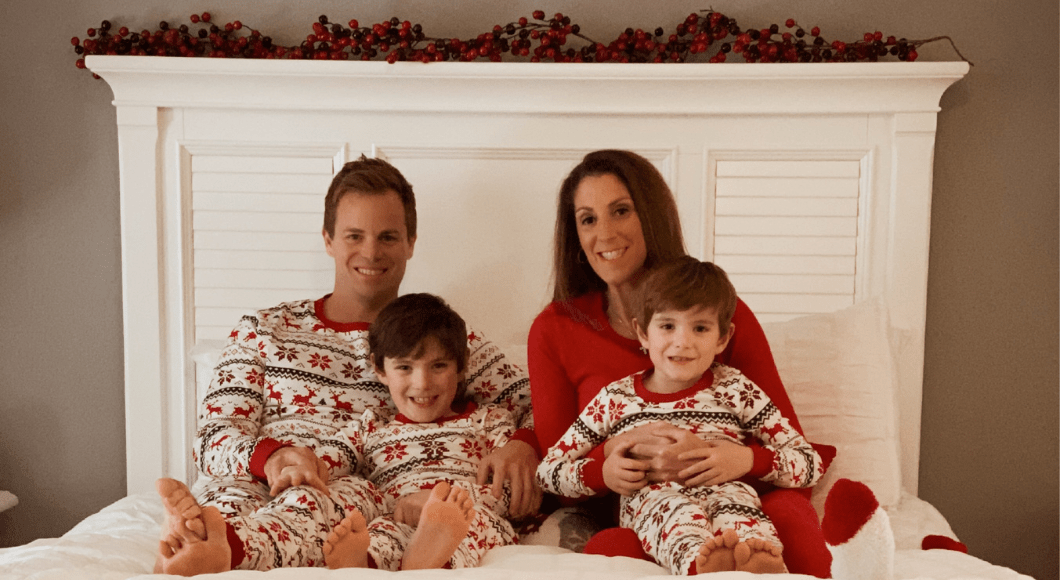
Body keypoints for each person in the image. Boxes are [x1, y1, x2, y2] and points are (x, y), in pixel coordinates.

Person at [154, 155, 539, 575]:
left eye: (388, 237)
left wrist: (521, 443)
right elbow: (213, 436)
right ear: (328, 239)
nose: (371, 252)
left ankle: (219, 548)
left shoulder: (442, 338)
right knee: (243, 509)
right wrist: (273, 457)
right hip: (255, 486)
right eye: (354, 235)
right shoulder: (264, 330)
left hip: (362, 502)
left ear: (411, 242)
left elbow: (538, 406)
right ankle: (208, 543)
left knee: (343, 505)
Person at [528, 149, 833, 577]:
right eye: (588, 219)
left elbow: (794, 449)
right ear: (642, 334)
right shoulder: (557, 331)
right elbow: (556, 474)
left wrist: (735, 458)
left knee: (790, 517)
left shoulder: (720, 316)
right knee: (611, 549)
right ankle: (705, 565)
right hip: (641, 505)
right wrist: (619, 455)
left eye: (621, 211)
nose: (605, 234)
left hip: (739, 491)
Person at [537, 258, 824, 575]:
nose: (682, 341)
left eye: (700, 327)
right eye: (667, 326)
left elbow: (809, 463)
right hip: (656, 503)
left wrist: (746, 459)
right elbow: (549, 471)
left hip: (729, 494)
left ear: (722, 338)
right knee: (675, 510)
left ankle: (756, 566)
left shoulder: (738, 390)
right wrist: (602, 474)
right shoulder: (614, 399)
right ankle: (699, 567)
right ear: (643, 333)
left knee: (743, 522)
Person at [323, 293, 519, 570]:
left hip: (465, 517)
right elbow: (326, 461)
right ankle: (362, 564)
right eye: (404, 367)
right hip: (399, 518)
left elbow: (510, 492)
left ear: (462, 364)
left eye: (438, 366)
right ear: (379, 368)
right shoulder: (373, 425)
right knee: (381, 532)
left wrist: (443, 499)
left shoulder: (489, 421)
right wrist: (301, 465)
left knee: (474, 524)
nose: (422, 383)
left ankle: (429, 558)